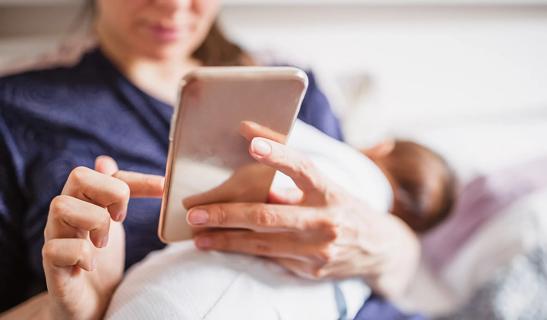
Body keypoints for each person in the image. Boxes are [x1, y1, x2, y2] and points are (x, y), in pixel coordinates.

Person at [0, 1, 420, 319]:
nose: (174, 8)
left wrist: (384, 245)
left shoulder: (291, 87)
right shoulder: (18, 114)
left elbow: (406, 272)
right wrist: (70, 311)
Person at [104, 120, 455, 320]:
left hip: (168, 292)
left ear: (384, 146)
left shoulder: (339, 156)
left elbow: (265, 129)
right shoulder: (360, 270)